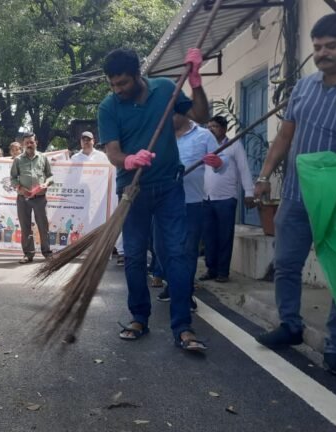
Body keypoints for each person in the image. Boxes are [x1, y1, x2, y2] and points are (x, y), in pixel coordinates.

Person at [253, 13, 336, 381]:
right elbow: (284, 137)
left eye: (332, 46)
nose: (322, 53)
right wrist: (264, 176)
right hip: (297, 194)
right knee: (286, 264)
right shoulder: (304, 87)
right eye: (317, 47)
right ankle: (290, 325)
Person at [98, 46, 213, 351]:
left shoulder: (164, 89)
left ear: (138, 75)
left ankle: (182, 327)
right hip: (132, 191)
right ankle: (139, 318)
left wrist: (197, 80)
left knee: (175, 254)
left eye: (122, 83)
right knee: (135, 256)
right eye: (113, 84)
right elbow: (112, 152)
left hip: (168, 187)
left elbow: (202, 115)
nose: (118, 90)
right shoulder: (108, 107)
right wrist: (130, 160)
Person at [155, 114, 221, 312]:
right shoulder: (160, 134)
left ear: (184, 111)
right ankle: (173, 283)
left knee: (187, 250)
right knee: (162, 249)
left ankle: (185, 292)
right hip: (162, 202)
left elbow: (220, 163)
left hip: (191, 202)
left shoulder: (204, 135)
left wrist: (216, 162)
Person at [200, 115, 256, 283]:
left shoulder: (234, 145)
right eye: (209, 126)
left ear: (224, 129)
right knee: (209, 237)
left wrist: (249, 193)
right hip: (206, 198)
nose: (211, 129)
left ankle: (223, 272)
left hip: (226, 198)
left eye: (215, 126)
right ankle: (211, 269)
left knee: (224, 236)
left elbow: (244, 169)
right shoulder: (204, 147)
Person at [71, 131, 125, 266]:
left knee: (112, 219)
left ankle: (121, 252)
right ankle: (86, 250)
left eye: (88, 139)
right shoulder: (75, 158)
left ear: (93, 141)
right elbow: (69, 176)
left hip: (103, 196)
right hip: (83, 198)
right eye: (83, 139)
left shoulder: (102, 157)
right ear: (80, 142)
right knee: (85, 223)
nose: (86, 142)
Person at [10, 132, 53, 264]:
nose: (29, 144)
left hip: (40, 198)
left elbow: (50, 176)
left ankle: (47, 253)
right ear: (23, 144)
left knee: (43, 226)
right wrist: (20, 188)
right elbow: (12, 178)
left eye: (32, 142)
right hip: (23, 199)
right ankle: (28, 254)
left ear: (36, 143)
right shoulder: (18, 160)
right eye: (27, 142)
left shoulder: (43, 158)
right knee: (25, 227)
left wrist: (46, 183)